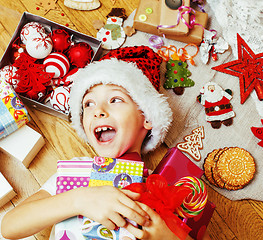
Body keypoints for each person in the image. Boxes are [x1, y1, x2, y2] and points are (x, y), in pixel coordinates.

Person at [1, 46, 207, 240]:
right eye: (88, 104)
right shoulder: (76, 173)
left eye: (115, 100)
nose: (97, 110)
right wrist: (79, 200)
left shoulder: (166, 187)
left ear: (147, 116)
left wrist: (167, 236)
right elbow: (9, 226)